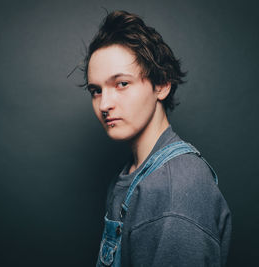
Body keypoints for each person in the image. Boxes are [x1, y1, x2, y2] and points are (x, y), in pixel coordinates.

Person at [82, 10, 231, 267]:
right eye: (96, 90)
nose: (104, 104)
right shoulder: (137, 172)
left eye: (121, 84)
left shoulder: (177, 189)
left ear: (161, 85)